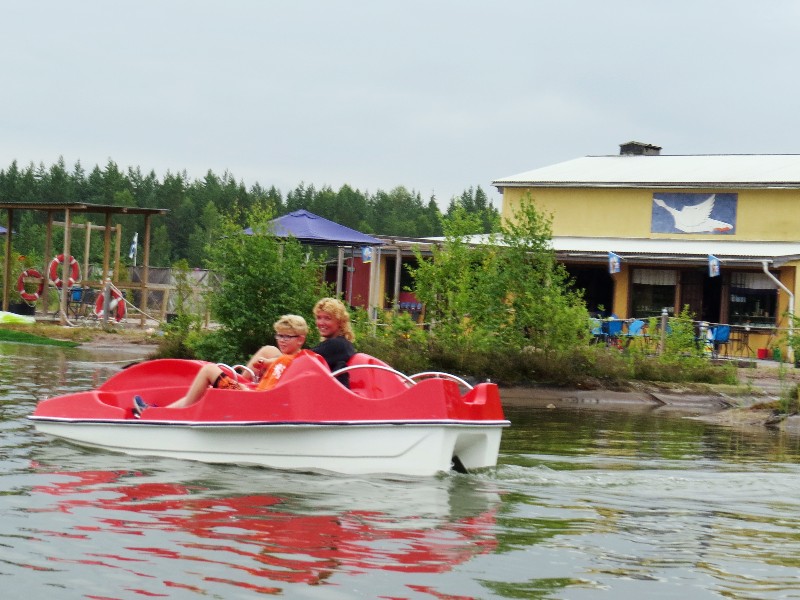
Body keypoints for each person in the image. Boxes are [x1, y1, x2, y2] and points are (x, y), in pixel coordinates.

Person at [133, 315, 308, 417]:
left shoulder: (288, 360)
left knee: (209, 370)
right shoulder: (294, 358)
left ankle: (162, 415)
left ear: (300, 339)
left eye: (287, 337)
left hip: (254, 400)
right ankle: (161, 411)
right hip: (255, 395)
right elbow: (274, 364)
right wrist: (265, 365)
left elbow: (272, 388)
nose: (282, 341)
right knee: (210, 386)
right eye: (279, 336)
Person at [311, 297, 356, 387]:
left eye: (327, 318)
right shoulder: (345, 344)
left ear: (340, 322)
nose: (321, 323)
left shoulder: (336, 345)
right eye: (319, 318)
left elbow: (302, 360)